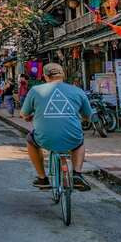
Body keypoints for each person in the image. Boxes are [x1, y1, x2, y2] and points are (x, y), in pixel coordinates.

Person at [20, 63, 92, 191]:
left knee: (30, 141)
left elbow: (23, 113)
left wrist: (28, 117)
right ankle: (77, 174)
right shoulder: (78, 91)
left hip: (44, 138)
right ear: (63, 75)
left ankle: (42, 178)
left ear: (45, 77)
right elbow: (88, 115)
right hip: (71, 137)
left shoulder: (35, 90)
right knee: (79, 142)